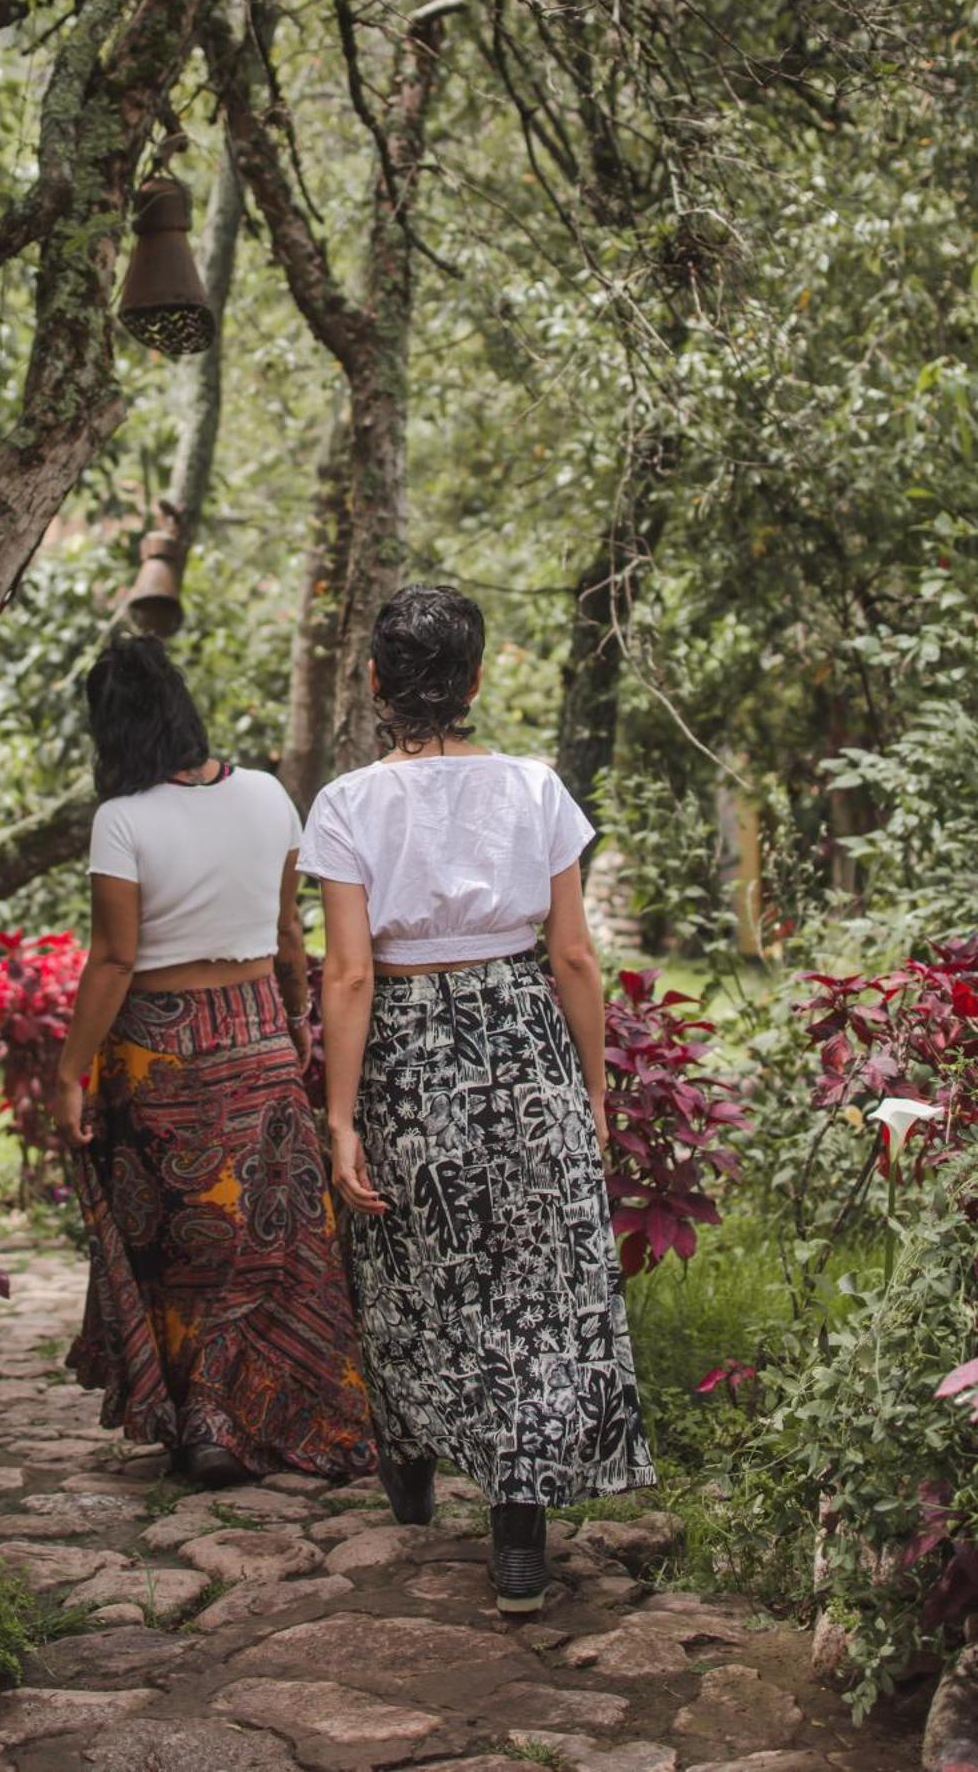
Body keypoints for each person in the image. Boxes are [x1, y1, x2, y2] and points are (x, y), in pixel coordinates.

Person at [299, 584, 655, 1609]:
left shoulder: (348, 804)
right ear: (475, 680)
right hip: (520, 1035)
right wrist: (587, 1086)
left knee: (410, 1261)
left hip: (406, 1045)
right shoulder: (535, 788)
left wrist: (339, 1112)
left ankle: (412, 1466)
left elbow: (350, 973)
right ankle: (517, 1540)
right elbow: (575, 954)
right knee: (530, 1282)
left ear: (374, 681)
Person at [55, 634, 375, 1489]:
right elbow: (285, 933)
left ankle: (200, 1423)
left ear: (113, 730)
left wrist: (67, 1072)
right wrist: (299, 1020)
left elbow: (114, 960)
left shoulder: (121, 820)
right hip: (258, 1032)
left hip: (157, 1050)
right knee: (270, 1242)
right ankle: (270, 1411)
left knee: (175, 1241)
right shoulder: (269, 796)